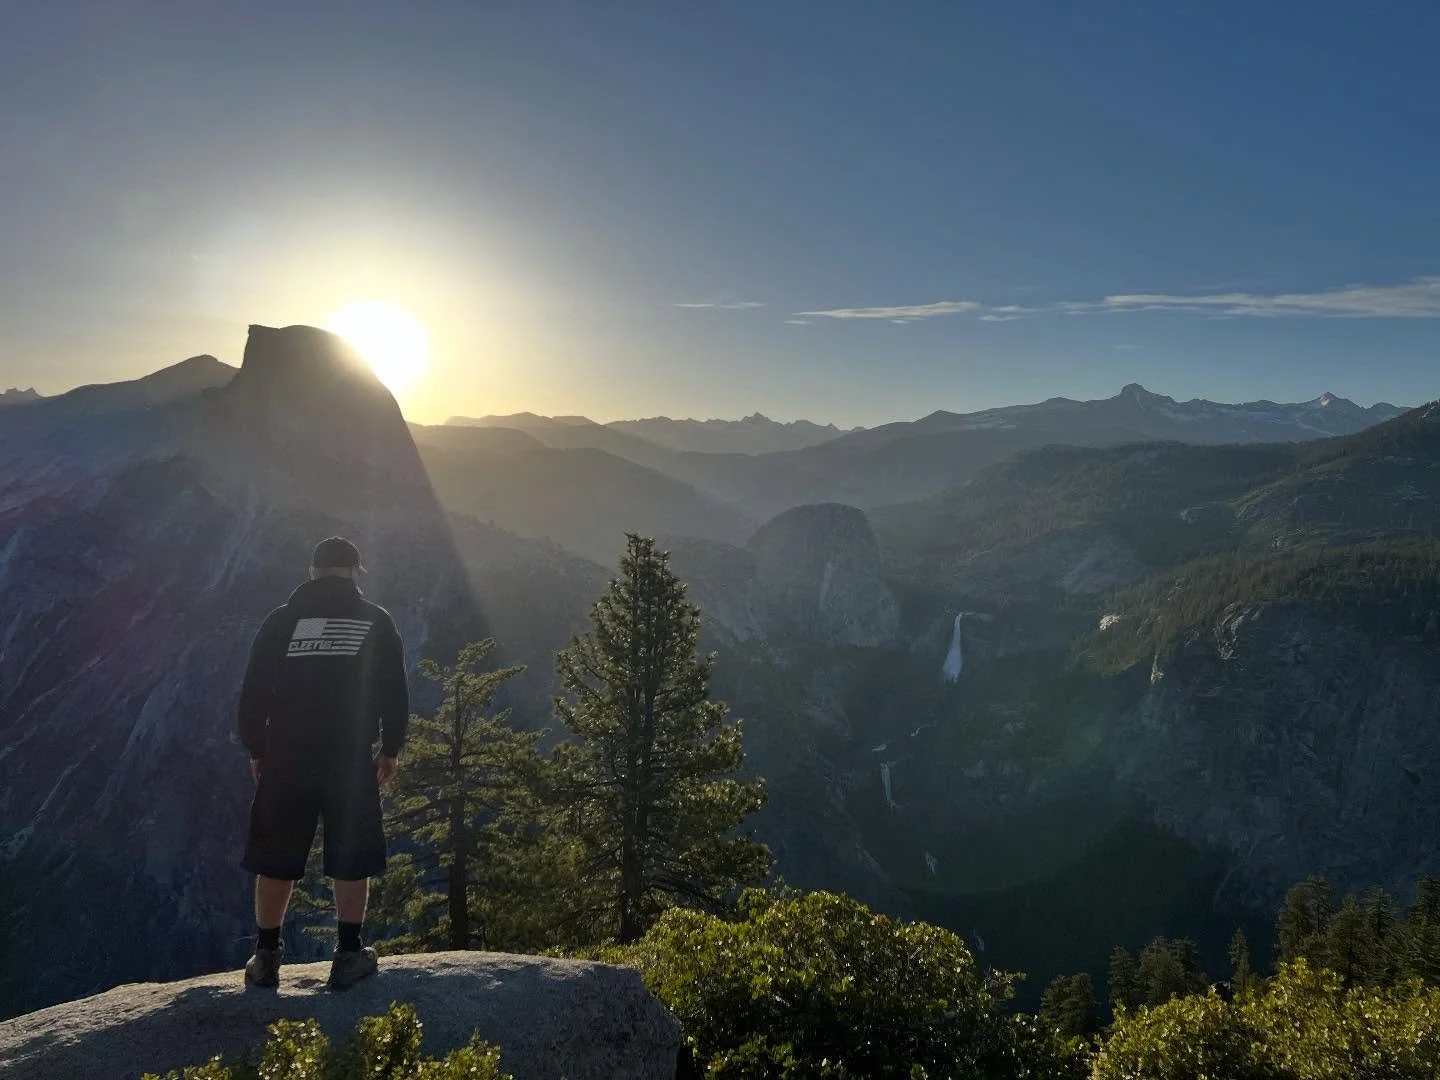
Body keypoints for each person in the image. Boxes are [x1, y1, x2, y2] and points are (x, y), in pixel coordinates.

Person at [236, 536, 409, 990]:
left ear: (312, 571)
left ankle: (266, 955)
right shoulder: (375, 621)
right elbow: (394, 690)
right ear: (355, 571)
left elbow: (253, 693)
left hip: (287, 754)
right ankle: (349, 955)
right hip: (348, 755)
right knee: (351, 854)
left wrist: (258, 750)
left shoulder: (281, 621)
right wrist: (391, 748)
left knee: (276, 855)